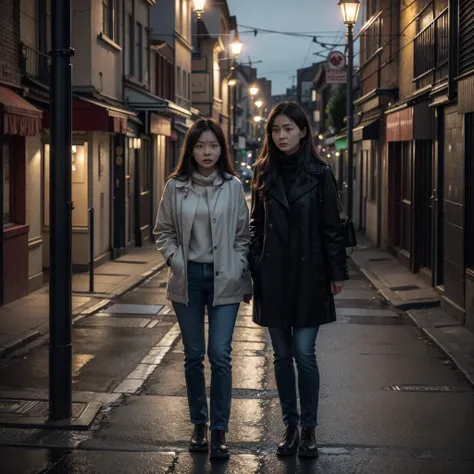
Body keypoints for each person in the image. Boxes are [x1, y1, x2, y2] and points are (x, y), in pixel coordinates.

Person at [249, 102, 348, 459]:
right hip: (273, 275)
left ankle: (309, 429)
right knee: (281, 355)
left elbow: (332, 228)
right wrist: (255, 265)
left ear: (303, 131)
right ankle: (289, 427)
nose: (281, 135)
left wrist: (337, 273)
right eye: (275, 130)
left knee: (304, 354)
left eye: (288, 129)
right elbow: (256, 225)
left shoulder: (320, 173)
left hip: (310, 275)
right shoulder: (263, 171)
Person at [154, 118, 252, 460]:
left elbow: (243, 236)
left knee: (220, 355)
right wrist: (176, 261)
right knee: (194, 355)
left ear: (221, 149)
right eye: (200, 146)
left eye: (213, 146)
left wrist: (239, 267)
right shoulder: (175, 186)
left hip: (225, 278)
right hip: (188, 279)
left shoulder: (233, 186)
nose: (207, 152)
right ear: (190, 149)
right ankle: (198, 424)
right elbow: (162, 232)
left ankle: (219, 431)